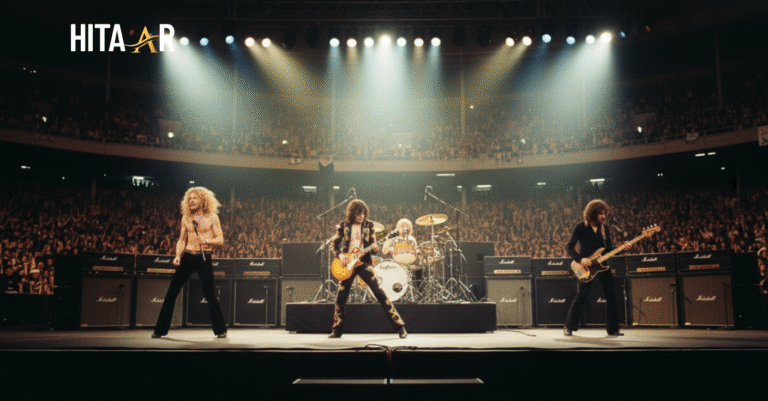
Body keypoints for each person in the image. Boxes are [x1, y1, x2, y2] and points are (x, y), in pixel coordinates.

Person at [152, 187, 227, 339]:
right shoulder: (186, 217)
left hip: (203, 257)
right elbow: (181, 239)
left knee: (210, 294)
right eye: (190, 198)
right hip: (187, 256)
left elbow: (220, 239)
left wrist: (207, 240)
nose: (192, 201)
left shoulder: (212, 217)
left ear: (203, 200)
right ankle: (160, 330)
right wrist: (178, 255)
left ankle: (221, 330)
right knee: (172, 292)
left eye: (195, 198)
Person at [329, 200, 407, 338]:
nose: (362, 216)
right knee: (340, 298)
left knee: (381, 294)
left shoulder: (369, 226)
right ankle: (336, 330)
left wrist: (376, 248)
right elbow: (334, 244)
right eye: (359, 214)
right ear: (353, 213)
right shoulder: (343, 225)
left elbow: (373, 246)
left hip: (364, 263)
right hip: (347, 265)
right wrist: (340, 255)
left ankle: (400, 327)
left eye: (364, 214)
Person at [563, 199, 630, 337]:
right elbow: (569, 247)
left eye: (604, 213)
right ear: (592, 213)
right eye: (600, 213)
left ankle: (613, 329)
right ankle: (569, 326)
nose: (603, 216)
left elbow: (608, 249)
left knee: (611, 295)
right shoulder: (580, 227)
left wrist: (621, 249)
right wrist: (581, 259)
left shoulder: (604, 229)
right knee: (581, 296)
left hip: (602, 266)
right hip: (586, 267)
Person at [382, 218, 422, 288]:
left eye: (407, 226)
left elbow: (416, 252)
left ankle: (418, 292)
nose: (405, 228)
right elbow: (384, 251)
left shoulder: (412, 239)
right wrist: (389, 240)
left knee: (420, 268)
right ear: (398, 228)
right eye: (403, 226)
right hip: (397, 264)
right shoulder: (393, 238)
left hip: (410, 263)